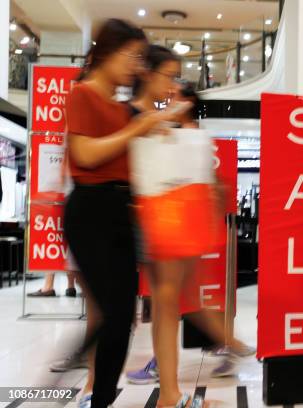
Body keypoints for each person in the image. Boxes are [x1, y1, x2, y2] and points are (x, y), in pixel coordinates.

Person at [123, 46, 252, 404]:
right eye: (168, 76)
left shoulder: (157, 119)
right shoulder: (138, 115)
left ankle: (171, 388)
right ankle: (219, 352)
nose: (172, 86)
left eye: (176, 80)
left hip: (167, 222)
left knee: (170, 302)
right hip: (161, 221)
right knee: (172, 302)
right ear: (148, 74)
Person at [64, 19, 180, 408]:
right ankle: (84, 375)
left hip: (121, 213)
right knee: (113, 313)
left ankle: (100, 397)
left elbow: (150, 114)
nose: (135, 65)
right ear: (107, 53)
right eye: (131, 56)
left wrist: (163, 111)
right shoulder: (83, 95)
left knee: (122, 318)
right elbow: (84, 155)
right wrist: (142, 126)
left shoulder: (122, 106)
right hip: (90, 211)